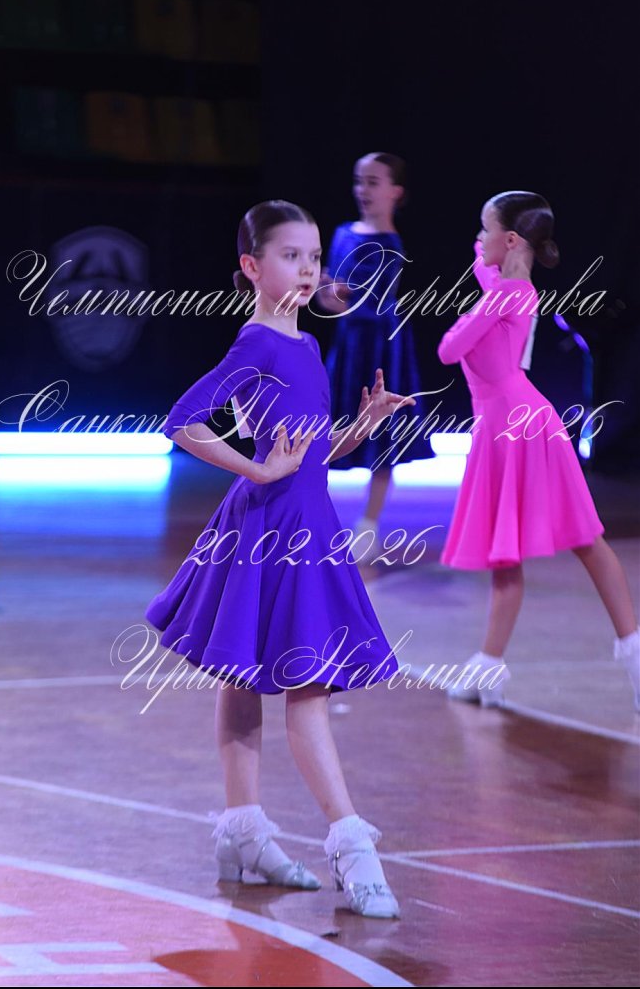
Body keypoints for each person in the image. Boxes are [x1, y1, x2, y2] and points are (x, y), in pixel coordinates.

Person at [145, 200, 417, 918]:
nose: (307, 268)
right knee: (306, 686)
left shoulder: (305, 345)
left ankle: (243, 835)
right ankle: (352, 846)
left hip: (306, 524)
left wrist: (363, 424)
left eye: (314, 255)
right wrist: (257, 468)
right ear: (252, 265)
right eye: (291, 255)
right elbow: (184, 420)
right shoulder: (259, 341)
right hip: (270, 527)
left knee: (247, 678)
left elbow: (312, 451)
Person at [436, 191, 640, 710]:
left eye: (484, 229)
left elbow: (449, 349)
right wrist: (486, 268)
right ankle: (489, 666)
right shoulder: (512, 289)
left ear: (509, 240)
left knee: (582, 540)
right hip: (504, 425)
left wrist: (485, 282)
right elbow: (486, 286)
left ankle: (634, 651)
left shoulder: (506, 295)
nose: (476, 239)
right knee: (509, 553)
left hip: (519, 426)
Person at [315, 152, 433, 563]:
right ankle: (313, 517)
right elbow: (330, 294)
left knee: (383, 435)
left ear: (395, 192)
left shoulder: (389, 244)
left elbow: (366, 303)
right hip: (349, 347)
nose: (362, 190)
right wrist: (329, 293)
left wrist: (337, 294)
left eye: (373, 182)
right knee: (326, 426)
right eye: (358, 181)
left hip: (383, 346)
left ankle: (368, 524)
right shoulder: (342, 232)